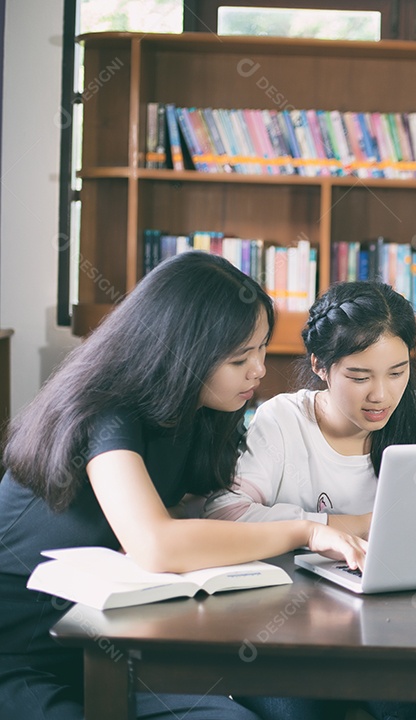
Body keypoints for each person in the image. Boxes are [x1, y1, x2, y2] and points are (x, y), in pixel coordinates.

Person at [0, 252, 366, 720]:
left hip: (109, 642)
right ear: (182, 353)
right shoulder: (105, 414)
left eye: (261, 349)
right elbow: (155, 543)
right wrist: (307, 530)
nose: (258, 370)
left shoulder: (197, 414)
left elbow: (206, 515)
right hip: (22, 653)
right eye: (240, 358)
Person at [204, 280, 416, 720]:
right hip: (292, 632)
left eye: (397, 372)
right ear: (320, 365)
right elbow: (226, 514)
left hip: (403, 630)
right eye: (359, 376)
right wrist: (353, 525)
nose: (381, 394)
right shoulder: (284, 420)